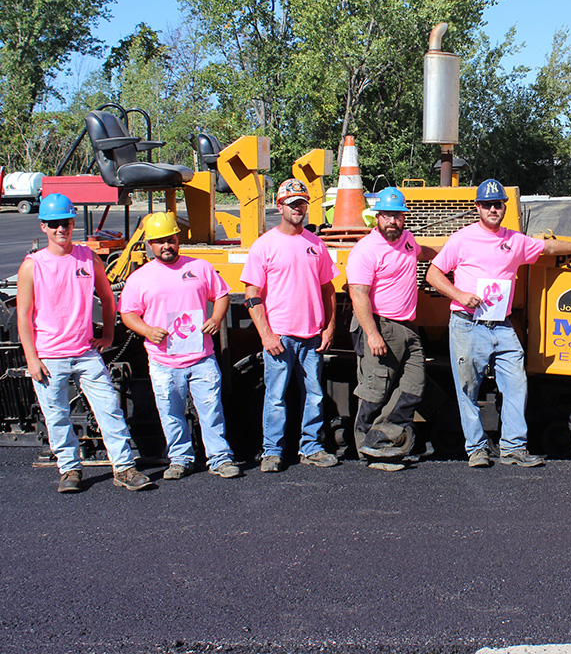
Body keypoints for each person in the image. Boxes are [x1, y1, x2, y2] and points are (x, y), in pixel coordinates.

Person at [426, 179, 571, 468]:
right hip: (467, 324)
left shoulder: (514, 241)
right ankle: (476, 449)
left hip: (501, 326)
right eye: (486, 205)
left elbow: (548, 247)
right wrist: (459, 294)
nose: (492, 209)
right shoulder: (461, 239)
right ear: (478, 208)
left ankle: (513, 448)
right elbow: (433, 274)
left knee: (516, 385)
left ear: (504, 207)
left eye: (497, 204)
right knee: (467, 389)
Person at [16, 194, 154, 493]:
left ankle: (125, 468)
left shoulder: (87, 259)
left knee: (110, 410)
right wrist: (31, 358)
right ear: (43, 227)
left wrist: (106, 335)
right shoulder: (32, 266)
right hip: (49, 356)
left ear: (72, 223)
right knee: (56, 416)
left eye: (65, 223)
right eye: (53, 225)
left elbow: (107, 297)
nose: (60, 230)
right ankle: (69, 469)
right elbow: (24, 317)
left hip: (85, 353)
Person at [118, 212, 241, 480]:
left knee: (211, 410)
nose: (166, 246)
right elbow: (128, 314)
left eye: (171, 240)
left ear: (178, 238)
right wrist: (148, 331)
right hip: (163, 361)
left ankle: (220, 458)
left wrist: (216, 318)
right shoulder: (139, 278)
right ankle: (180, 458)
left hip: (201, 357)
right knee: (171, 414)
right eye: (159, 242)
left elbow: (221, 294)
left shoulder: (200, 267)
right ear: (150, 245)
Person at [241, 178, 339, 472]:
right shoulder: (264, 246)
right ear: (279, 206)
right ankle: (272, 451)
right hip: (280, 336)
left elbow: (328, 289)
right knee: (275, 397)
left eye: (302, 203)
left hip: (311, 336)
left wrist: (330, 327)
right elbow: (251, 295)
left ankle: (311, 447)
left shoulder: (316, 244)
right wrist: (266, 334)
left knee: (315, 394)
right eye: (293, 204)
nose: (299, 209)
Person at [346, 187, 436, 471]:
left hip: (408, 327)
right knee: (375, 390)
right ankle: (367, 449)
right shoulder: (366, 250)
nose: (392, 221)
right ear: (377, 218)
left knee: (414, 386)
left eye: (397, 215)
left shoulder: (408, 240)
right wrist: (372, 334)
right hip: (380, 324)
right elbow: (358, 294)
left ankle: (380, 437)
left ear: (404, 218)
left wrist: (448, 257)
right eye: (386, 215)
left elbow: (423, 253)